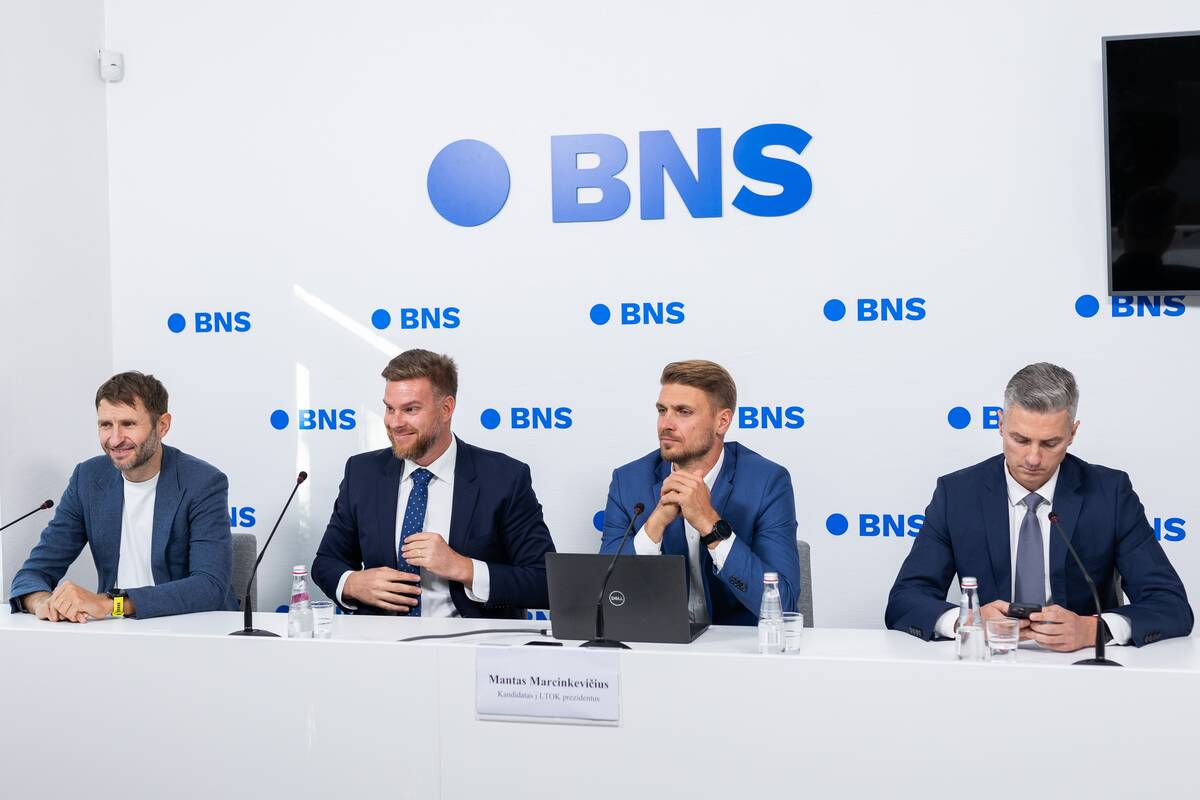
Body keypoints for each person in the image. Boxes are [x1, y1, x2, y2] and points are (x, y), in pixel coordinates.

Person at [886, 362, 1192, 649]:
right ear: (1000, 424)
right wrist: (968, 622)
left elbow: (1171, 605)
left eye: (1050, 443)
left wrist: (1093, 630)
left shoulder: (1109, 493)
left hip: (1080, 665)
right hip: (988, 663)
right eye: (1021, 440)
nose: (1033, 458)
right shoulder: (957, 494)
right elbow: (905, 600)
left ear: (1072, 433)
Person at [311, 349, 556, 617]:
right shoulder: (362, 473)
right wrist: (353, 584)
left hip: (473, 639)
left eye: (411, 409)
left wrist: (463, 568)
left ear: (446, 408)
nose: (395, 422)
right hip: (381, 638)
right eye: (390, 408)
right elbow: (327, 562)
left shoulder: (505, 478)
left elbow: (545, 582)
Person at [9, 371, 238, 620]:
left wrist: (112, 604)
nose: (115, 439)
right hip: (117, 630)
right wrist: (44, 603)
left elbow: (209, 586)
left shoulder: (202, 482)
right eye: (106, 425)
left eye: (128, 424)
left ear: (162, 425)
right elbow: (33, 573)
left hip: (191, 627)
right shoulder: (88, 478)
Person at [600, 359, 800, 626]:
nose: (666, 424)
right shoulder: (628, 482)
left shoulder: (766, 482)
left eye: (683, 412)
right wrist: (654, 526)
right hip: (657, 642)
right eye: (662, 410)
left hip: (737, 644)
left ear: (722, 422)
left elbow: (783, 605)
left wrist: (710, 525)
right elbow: (603, 595)